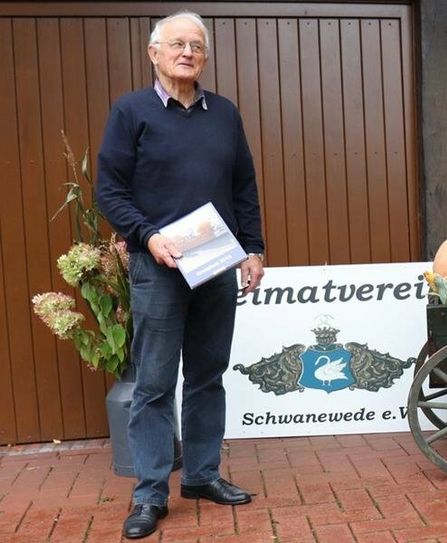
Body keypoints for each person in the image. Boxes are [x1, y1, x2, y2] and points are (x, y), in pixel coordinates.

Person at [96, 11, 265, 540]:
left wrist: (253, 249)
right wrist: (149, 236)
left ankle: (201, 475)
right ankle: (149, 494)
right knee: (153, 383)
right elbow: (110, 191)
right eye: (177, 44)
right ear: (154, 53)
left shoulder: (225, 114)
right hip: (160, 264)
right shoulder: (131, 111)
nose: (188, 51)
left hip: (216, 263)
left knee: (208, 374)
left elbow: (243, 187)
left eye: (196, 45)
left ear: (205, 57)